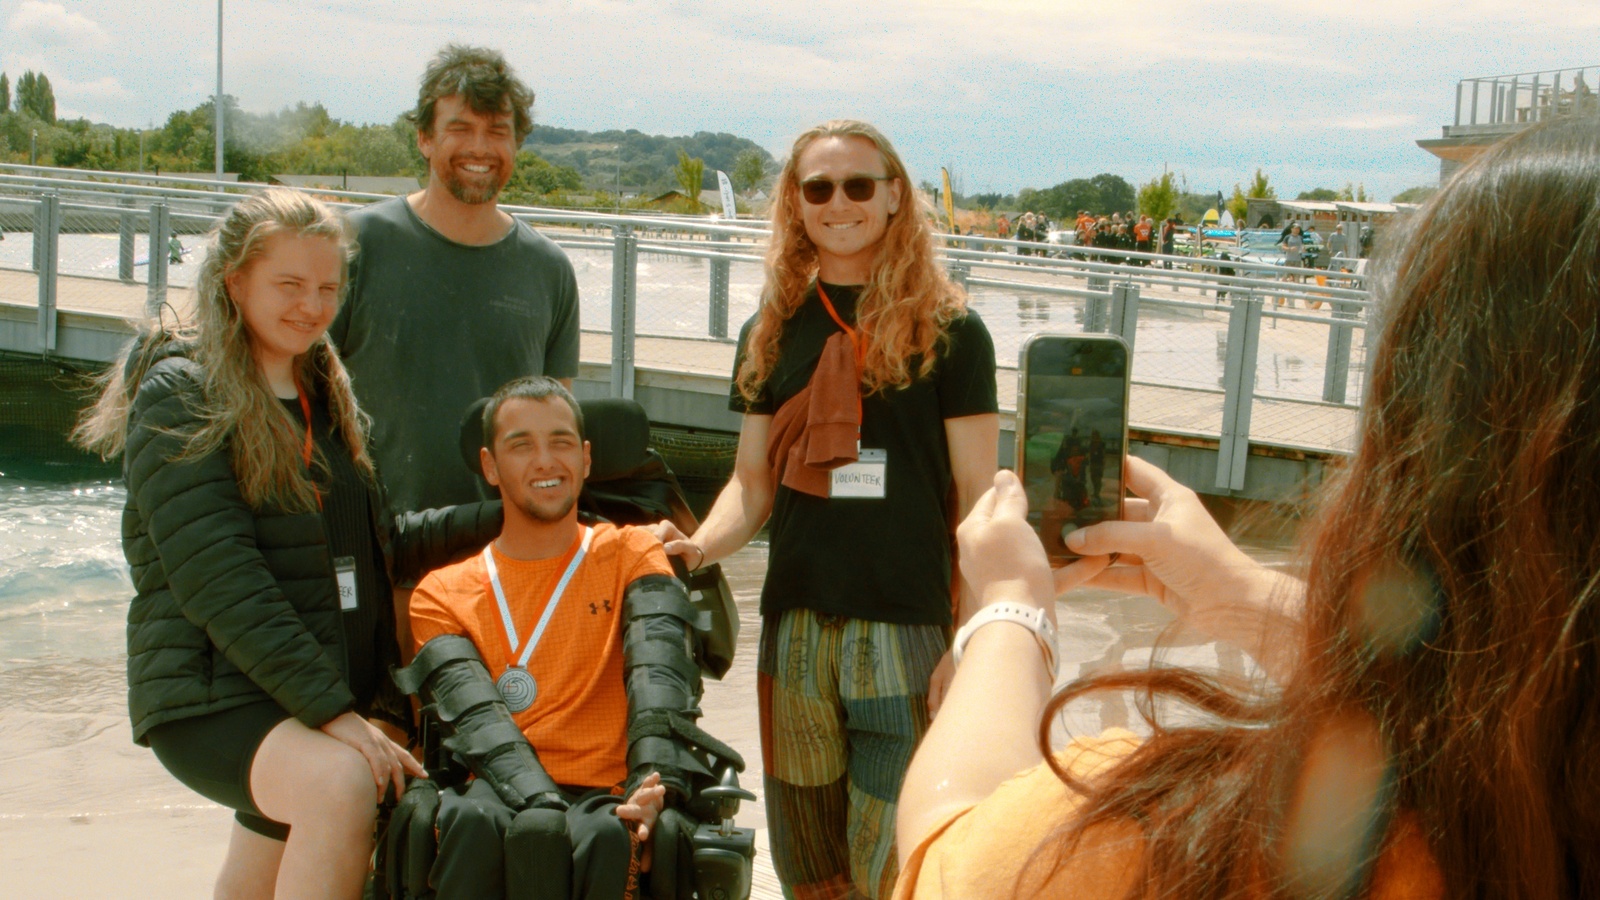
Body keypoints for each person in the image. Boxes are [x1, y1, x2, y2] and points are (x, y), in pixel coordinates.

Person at [894, 117, 1600, 898]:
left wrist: (1008, 613)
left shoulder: (1186, 839)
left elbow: (955, 856)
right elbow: (1487, 705)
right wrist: (1237, 596)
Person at [72, 189, 494, 899]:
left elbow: (378, 547)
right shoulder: (181, 395)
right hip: (213, 695)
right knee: (340, 785)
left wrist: (519, 513)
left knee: (257, 877)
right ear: (235, 281)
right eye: (289, 284)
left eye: (328, 287)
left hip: (297, 693)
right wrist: (337, 716)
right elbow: (220, 580)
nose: (313, 305)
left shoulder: (319, 388)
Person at [652, 119, 999, 899]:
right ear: (797, 205)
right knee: (806, 866)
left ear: (893, 196)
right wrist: (698, 549)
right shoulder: (770, 330)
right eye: (818, 188)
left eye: (857, 185)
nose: (838, 202)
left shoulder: (953, 333)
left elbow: (978, 502)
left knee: (892, 862)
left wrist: (969, 643)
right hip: (798, 635)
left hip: (907, 634)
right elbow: (750, 485)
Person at [401, 376, 680, 899]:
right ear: (489, 466)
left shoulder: (633, 554)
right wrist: (542, 810)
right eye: (521, 445)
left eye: (561, 442)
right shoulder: (439, 593)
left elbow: (660, 684)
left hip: (607, 791)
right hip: (493, 789)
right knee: (468, 821)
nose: (545, 461)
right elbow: (476, 720)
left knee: (607, 833)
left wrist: (656, 787)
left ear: (587, 457)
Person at [329, 44, 580, 520]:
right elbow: (301, 391)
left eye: (497, 132)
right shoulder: (356, 244)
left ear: (516, 145)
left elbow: (555, 428)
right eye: (460, 129)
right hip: (375, 541)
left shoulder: (549, 269)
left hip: (501, 549)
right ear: (424, 138)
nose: (480, 148)